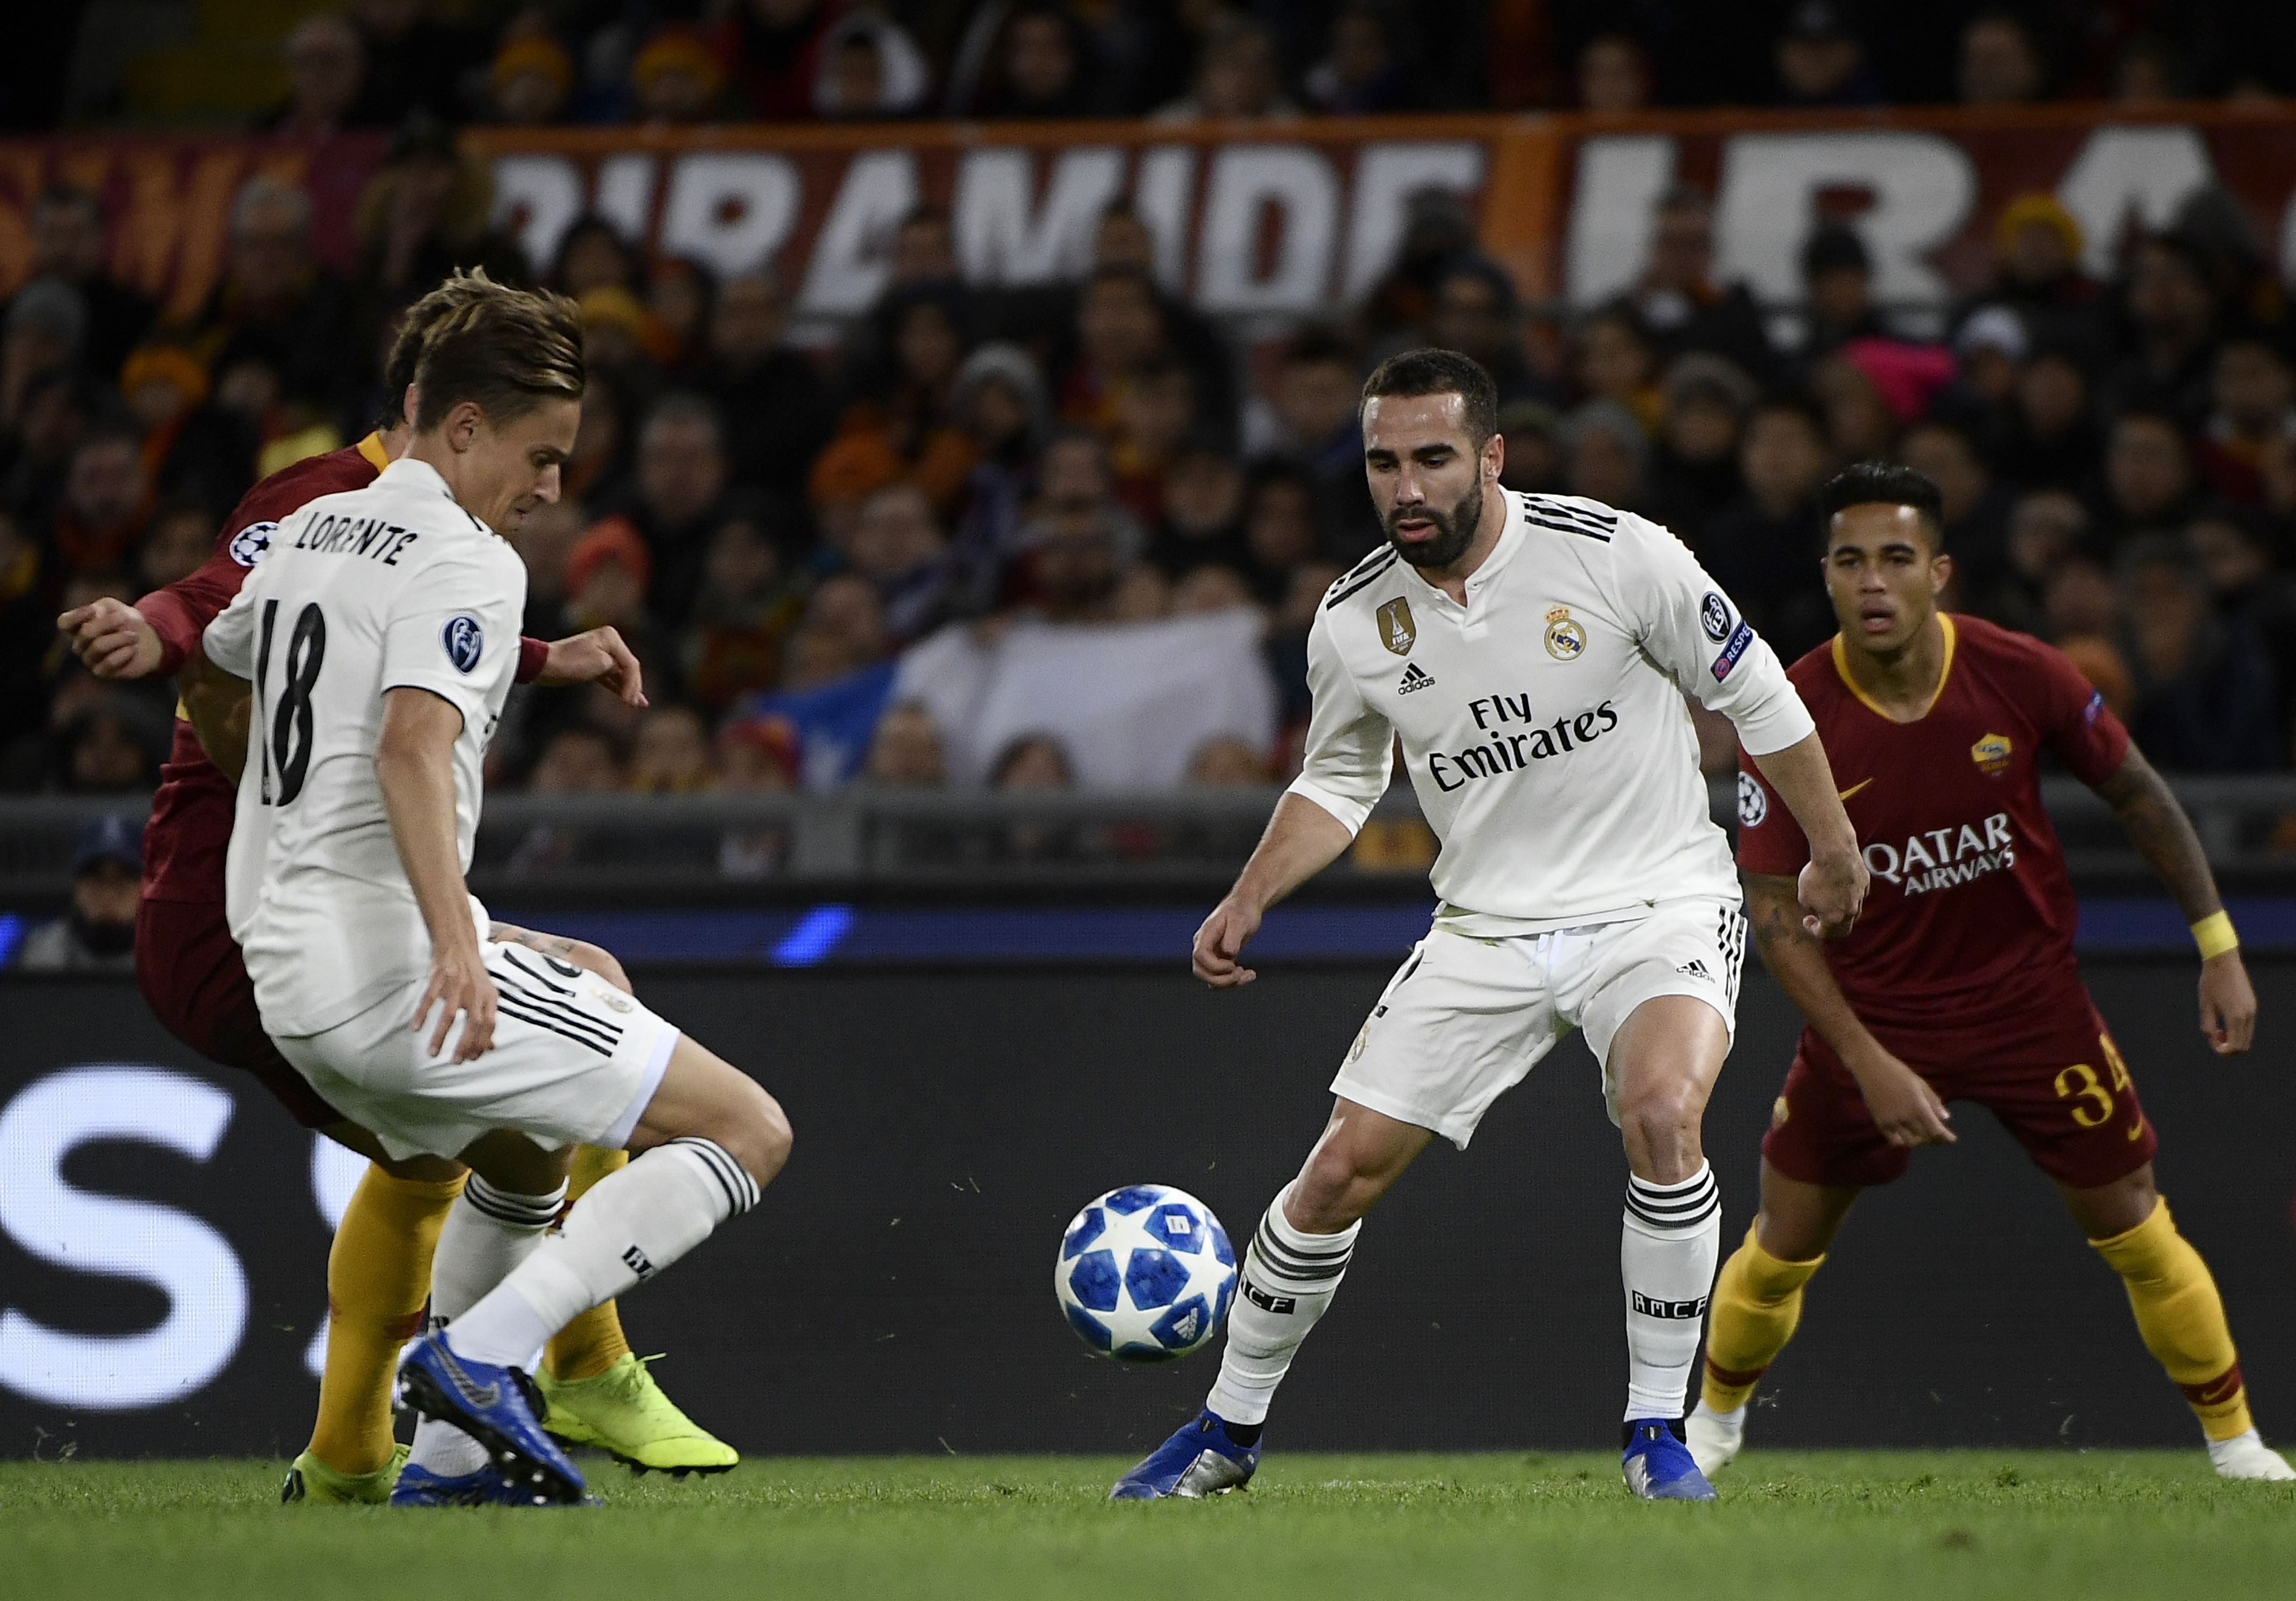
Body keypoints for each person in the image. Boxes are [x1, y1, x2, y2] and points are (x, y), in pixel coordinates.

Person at [1110, 348, 1866, 1503]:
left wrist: (1830, 841)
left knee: (1663, 1113)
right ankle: (1224, 1429)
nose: (1404, 487)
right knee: (1335, 1173)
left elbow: (1755, 692)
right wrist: (1250, 890)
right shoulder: (1354, 616)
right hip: (1484, 925)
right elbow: (1337, 780)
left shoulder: (1616, 553)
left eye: (1430, 457)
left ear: (1489, 455)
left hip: (1654, 897)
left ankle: (1655, 1432)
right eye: (1381, 462)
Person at [54, 276, 736, 1502]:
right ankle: (550, 1368)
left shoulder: (360, 518)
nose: (550, 489)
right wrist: (148, 629)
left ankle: (370, 1450)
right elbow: (220, 618)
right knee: (559, 1088)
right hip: (244, 910)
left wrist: (542, 657)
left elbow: (320, 636)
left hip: (271, 908)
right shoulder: (325, 502)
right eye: (541, 453)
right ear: (457, 416)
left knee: (499, 1134)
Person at [1693, 463, 2291, 1484]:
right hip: (1871, 1014)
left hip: (2031, 1007)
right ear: (1826, 578)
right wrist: (1865, 1059)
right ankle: (1709, 1426)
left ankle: (2235, 1443)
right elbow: (1774, 915)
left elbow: (2139, 794)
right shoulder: (1784, 714)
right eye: (1848, 560)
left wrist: (2219, 945)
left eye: (1894, 558)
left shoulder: (2021, 672)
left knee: (2135, 1222)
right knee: (1783, 1239)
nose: (1871, 581)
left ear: (1939, 572)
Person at [16, 814, 143, 971]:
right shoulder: (46, 952)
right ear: (77, 886)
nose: (108, 894)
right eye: (97, 879)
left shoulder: (166, 955)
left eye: (123, 881)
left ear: (144, 888)